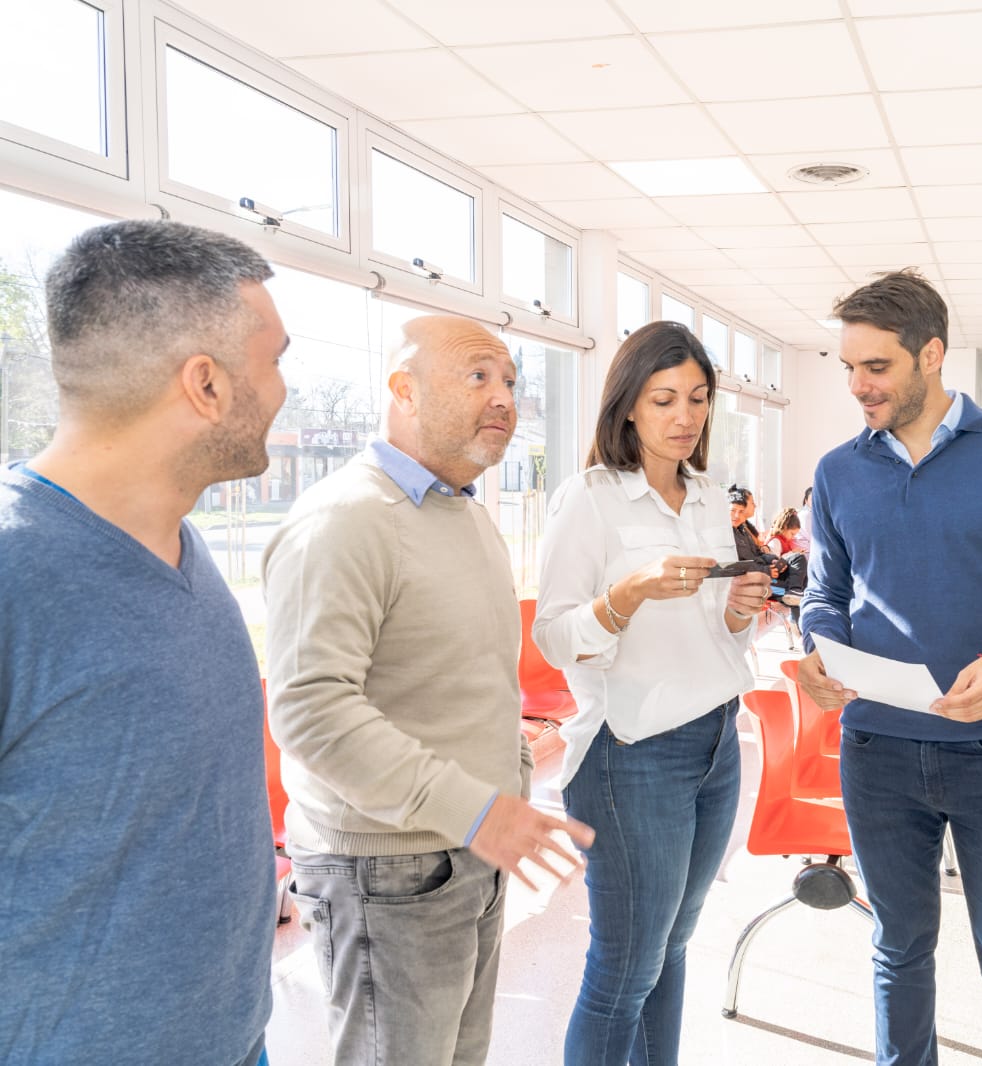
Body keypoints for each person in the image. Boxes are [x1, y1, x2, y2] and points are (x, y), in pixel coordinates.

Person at [263, 315, 592, 1066]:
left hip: (470, 848)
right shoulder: (343, 521)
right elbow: (313, 714)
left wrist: (502, 776)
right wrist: (479, 808)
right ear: (402, 390)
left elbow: (460, 675)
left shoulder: (465, 513)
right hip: (388, 871)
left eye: (510, 380)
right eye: (478, 376)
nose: (505, 397)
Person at [0, 220, 287, 1064]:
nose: (281, 390)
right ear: (205, 383)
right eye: (274, 361)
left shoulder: (180, 544)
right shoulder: (16, 574)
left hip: (233, 1038)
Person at [797, 269, 982, 1065]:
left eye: (877, 367)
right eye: (849, 369)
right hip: (876, 752)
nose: (859, 386)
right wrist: (818, 651)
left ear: (931, 355)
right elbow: (823, 593)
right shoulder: (838, 472)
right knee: (898, 948)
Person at [533, 320, 771, 1066]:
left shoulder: (707, 496)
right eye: (664, 398)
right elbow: (552, 635)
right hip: (630, 755)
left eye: (698, 399)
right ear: (628, 405)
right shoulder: (591, 499)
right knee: (624, 968)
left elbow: (714, 636)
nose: (684, 417)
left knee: (671, 948)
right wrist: (625, 598)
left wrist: (736, 612)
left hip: (716, 744)